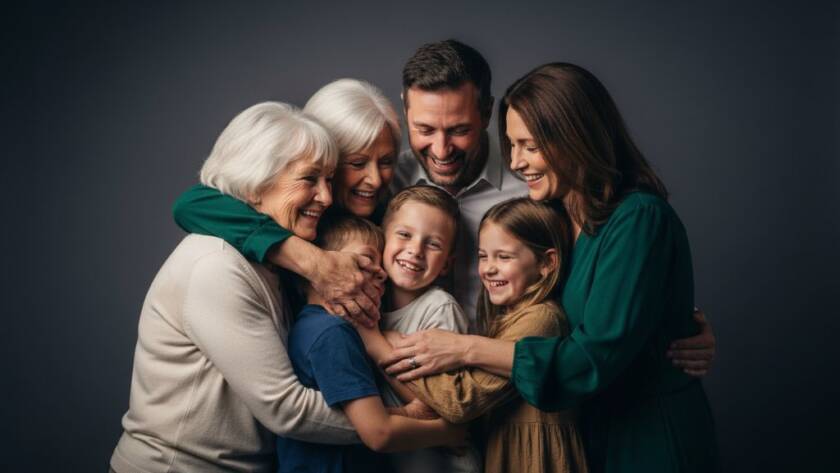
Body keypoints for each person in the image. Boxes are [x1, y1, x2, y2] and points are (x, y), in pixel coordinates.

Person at [170, 40, 716, 375]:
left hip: (509, 386)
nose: (440, 148)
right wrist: (308, 258)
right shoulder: (382, 179)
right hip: (396, 385)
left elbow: (597, 276)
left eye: (458, 130)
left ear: (487, 113)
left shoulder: (534, 183)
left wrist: (671, 326)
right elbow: (197, 201)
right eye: (424, 129)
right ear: (406, 111)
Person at [384, 63, 720, 472]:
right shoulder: (555, 215)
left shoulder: (638, 218)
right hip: (581, 432)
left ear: (576, 137)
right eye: (512, 145)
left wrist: (464, 348)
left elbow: (591, 357)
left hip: (644, 439)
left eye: (529, 146)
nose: (517, 161)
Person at [111, 102, 360, 473]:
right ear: (255, 184)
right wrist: (397, 424)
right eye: (310, 179)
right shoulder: (216, 265)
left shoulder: (275, 261)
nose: (326, 196)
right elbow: (285, 408)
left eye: (329, 180)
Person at [370, 197, 589, 473]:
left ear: (547, 263)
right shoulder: (509, 315)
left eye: (504, 257)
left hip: (534, 459)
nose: (488, 268)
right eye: (483, 256)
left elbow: (460, 400)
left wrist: (384, 343)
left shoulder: (540, 320)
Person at [173, 78, 400, 321]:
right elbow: (191, 204)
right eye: (357, 163)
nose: (376, 180)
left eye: (386, 162)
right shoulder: (293, 213)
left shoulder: (395, 211)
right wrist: (314, 261)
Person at [276, 215, 466, 473]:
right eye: (365, 262)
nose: (381, 274)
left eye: (380, 266)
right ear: (320, 269)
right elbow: (379, 433)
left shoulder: (323, 327)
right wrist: (448, 431)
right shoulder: (332, 334)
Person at [356, 185, 482, 473]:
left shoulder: (440, 308)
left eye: (433, 244)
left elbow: (441, 408)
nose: (415, 250)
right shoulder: (369, 306)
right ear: (382, 238)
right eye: (404, 234)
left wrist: (376, 343)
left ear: (447, 264)